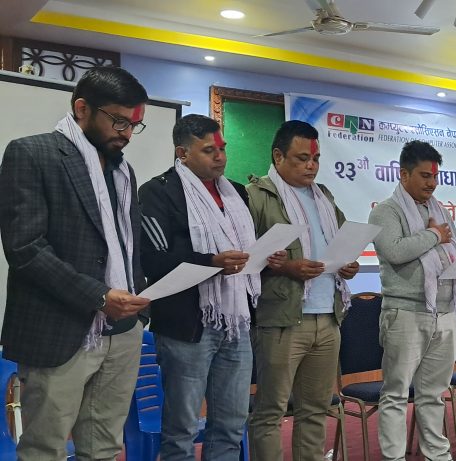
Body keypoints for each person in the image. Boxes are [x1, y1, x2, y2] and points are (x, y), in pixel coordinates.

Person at [0, 66, 150, 460]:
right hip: (60, 330)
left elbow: (126, 247)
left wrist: (138, 306)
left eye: (135, 124)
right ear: (82, 109)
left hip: (122, 331)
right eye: (119, 121)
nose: (127, 133)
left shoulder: (123, 171)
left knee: (104, 447)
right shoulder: (32, 154)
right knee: (44, 449)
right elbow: (25, 248)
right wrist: (99, 296)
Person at [139, 115, 284, 460]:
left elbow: (243, 251)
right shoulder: (158, 191)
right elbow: (154, 261)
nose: (220, 157)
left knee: (231, 425)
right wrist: (212, 262)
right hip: (186, 326)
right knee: (182, 430)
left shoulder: (236, 192)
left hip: (236, 321)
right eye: (209, 150)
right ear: (182, 153)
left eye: (222, 148)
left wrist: (264, 258)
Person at [247, 120, 360, 460]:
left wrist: (349, 265)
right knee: (271, 411)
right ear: (278, 156)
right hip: (281, 319)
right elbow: (243, 258)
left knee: (315, 410)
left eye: (316, 158)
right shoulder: (256, 196)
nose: (311, 165)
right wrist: (286, 267)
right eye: (302, 158)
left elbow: (341, 244)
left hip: (328, 317)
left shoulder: (324, 196)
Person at [369, 140, 456, 461]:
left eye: (435, 176)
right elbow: (395, 251)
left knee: (433, 393)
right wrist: (434, 235)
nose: (432, 183)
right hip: (405, 312)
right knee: (396, 393)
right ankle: (394, 458)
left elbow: (455, 250)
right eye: (425, 176)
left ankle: (437, 455)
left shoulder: (439, 210)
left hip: (445, 312)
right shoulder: (385, 211)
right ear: (404, 174)